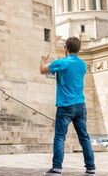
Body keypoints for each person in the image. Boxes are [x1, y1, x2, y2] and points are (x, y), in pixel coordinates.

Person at [40, 37, 96, 175]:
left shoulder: (62, 63)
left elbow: (42, 70)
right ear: (79, 49)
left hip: (65, 106)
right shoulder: (83, 65)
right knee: (84, 137)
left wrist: (44, 59)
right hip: (80, 105)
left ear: (66, 47)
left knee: (60, 137)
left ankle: (57, 167)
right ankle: (91, 167)